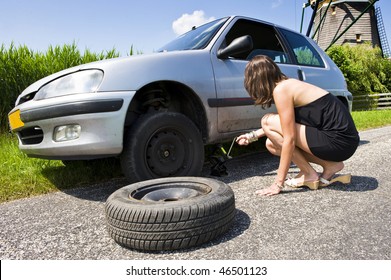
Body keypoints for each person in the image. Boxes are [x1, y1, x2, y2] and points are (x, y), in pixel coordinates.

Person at [236, 55, 360, 196]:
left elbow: (289, 138)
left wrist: (278, 184)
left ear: (256, 81)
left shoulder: (281, 90)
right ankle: (330, 165)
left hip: (338, 140)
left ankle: (309, 174)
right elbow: (283, 124)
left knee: (267, 121)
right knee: (271, 144)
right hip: (344, 142)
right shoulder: (288, 85)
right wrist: (251, 136)